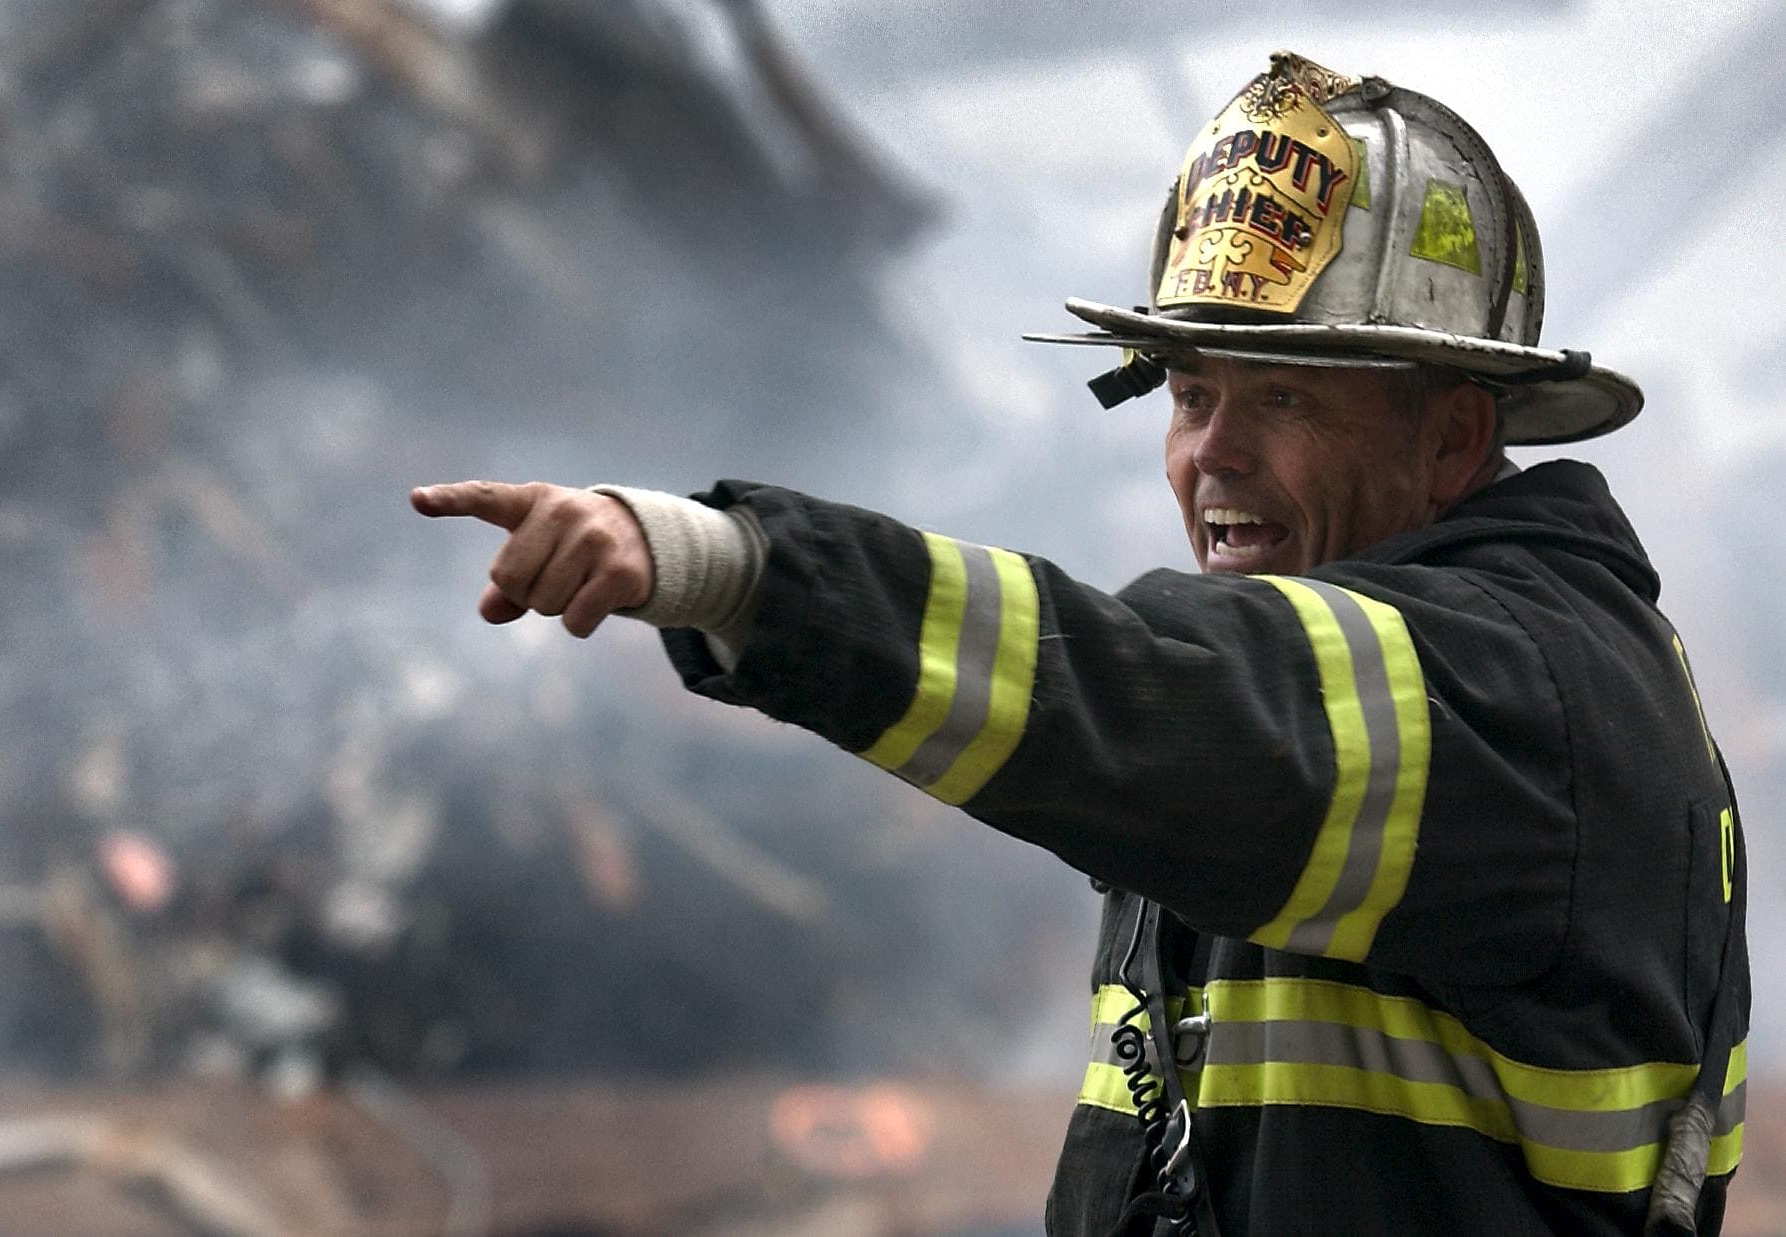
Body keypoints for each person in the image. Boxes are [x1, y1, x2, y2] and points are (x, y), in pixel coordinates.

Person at [414, 51, 1749, 1236]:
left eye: (1281, 395)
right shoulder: (1410, 703)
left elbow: (1152, 694)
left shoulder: (1514, 692)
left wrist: (741, 568)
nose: (1212, 454)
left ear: (1453, 436)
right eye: (1190, 394)